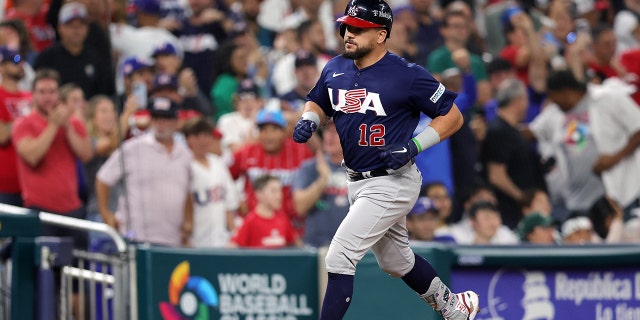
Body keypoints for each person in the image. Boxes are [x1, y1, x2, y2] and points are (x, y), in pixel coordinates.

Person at [291, 0, 478, 319]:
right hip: (356, 179)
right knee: (395, 262)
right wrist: (310, 117)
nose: (349, 34)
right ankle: (453, 306)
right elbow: (318, 101)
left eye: (359, 29)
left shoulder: (406, 74)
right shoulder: (335, 67)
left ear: (381, 35)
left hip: (393, 180)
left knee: (339, 257)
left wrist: (415, 145)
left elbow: (453, 115)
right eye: (346, 26)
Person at [95, 97, 193, 247]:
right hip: (136, 237)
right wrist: (105, 213)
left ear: (176, 121)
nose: (161, 124)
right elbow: (103, 178)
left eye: (166, 118)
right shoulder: (134, 147)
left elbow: (187, 191)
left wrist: (188, 221)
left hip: (172, 238)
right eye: (156, 118)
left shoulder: (185, 154)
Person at [12, 68, 92, 247]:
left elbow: (86, 154)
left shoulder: (72, 122)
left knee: (78, 269)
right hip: (40, 210)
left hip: (73, 209)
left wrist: (68, 128)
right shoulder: (23, 124)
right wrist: (53, 125)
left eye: (52, 92)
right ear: (32, 95)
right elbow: (32, 156)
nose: (47, 97)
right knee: (44, 270)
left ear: (59, 94)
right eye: (42, 92)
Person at [34, 2, 115, 98]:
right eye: (70, 25)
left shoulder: (96, 58)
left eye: (80, 25)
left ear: (87, 28)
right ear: (60, 28)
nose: (76, 30)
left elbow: (106, 92)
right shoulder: (47, 58)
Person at [182, 117, 239, 248]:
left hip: (221, 240)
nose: (203, 140)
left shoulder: (218, 163)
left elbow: (229, 204)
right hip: (195, 241)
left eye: (206, 135)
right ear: (188, 139)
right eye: (197, 136)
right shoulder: (184, 165)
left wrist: (234, 233)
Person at [292, 120, 348, 248]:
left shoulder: (362, 168)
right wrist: (323, 179)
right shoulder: (311, 167)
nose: (329, 136)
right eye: (327, 131)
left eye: (335, 132)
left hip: (354, 248)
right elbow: (300, 207)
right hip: (316, 246)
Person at [230, 174, 301, 248]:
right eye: (273, 191)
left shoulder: (283, 219)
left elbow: (297, 244)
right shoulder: (251, 221)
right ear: (259, 194)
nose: (279, 196)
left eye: (280, 191)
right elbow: (233, 246)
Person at [0, 46, 32, 206]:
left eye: (22, 59)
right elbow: (2, 136)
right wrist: (26, 118)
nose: (21, 64)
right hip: (5, 184)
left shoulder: (31, 96)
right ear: (2, 66)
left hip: (33, 182)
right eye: (15, 60)